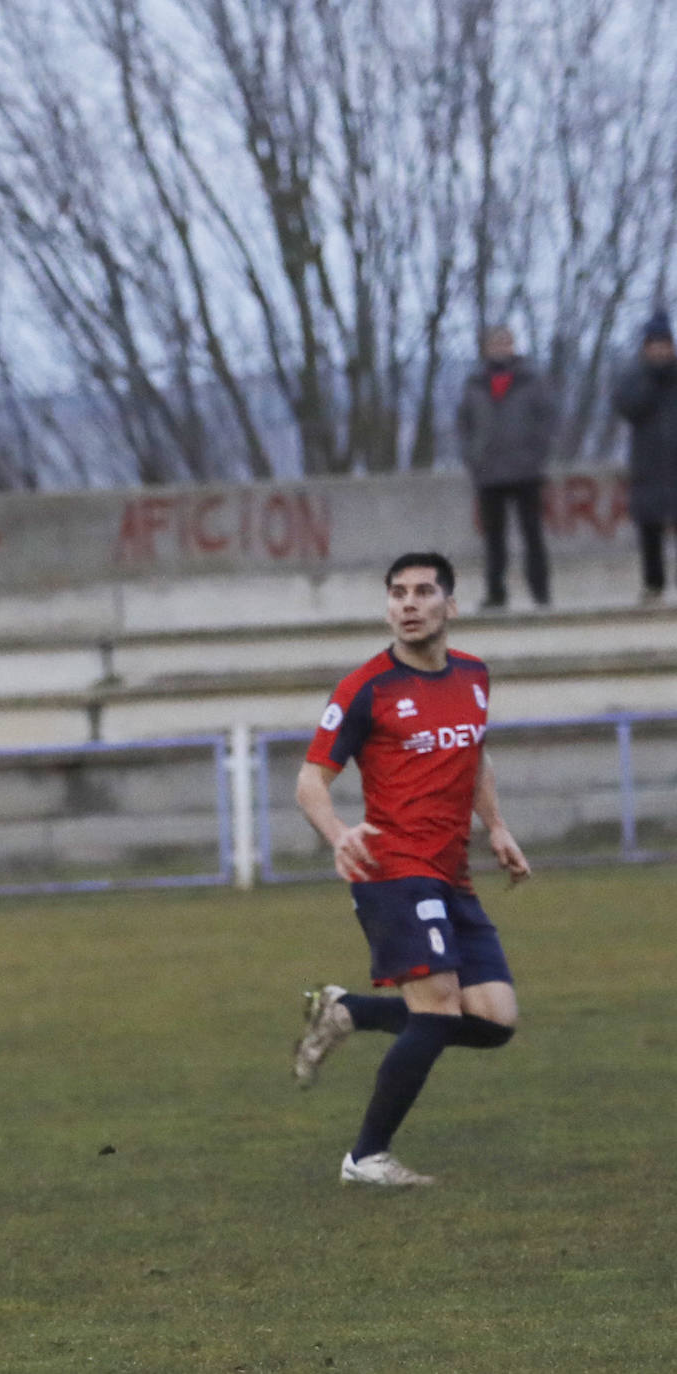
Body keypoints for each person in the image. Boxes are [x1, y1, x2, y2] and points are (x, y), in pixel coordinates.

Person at [292, 552, 529, 1187]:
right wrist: (340, 835)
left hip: (452, 872)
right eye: (398, 593)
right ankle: (366, 1158)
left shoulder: (474, 675)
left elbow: (474, 754)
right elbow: (310, 782)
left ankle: (349, 1011)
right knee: (439, 1009)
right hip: (392, 869)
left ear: (450, 605)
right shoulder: (365, 688)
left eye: (424, 592)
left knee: (494, 1021)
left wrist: (496, 826)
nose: (409, 604)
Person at [455, 326, 556, 611]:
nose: (501, 348)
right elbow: (464, 424)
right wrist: (473, 458)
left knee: (532, 535)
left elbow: (546, 420)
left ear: (513, 345)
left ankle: (541, 594)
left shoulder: (531, 381)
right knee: (493, 540)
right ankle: (496, 594)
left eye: (506, 343)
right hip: (488, 473)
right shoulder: (475, 383)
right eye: (496, 343)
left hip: (526, 471)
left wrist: (536, 455)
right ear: (487, 348)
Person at [612, 309, 677, 604]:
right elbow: (628, 407)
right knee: (650, 528)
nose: (660, 351)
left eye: (665, 345)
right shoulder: (635, 377)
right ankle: (653, 585)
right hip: (648, 465)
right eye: (655, 345)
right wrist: (652, 379)